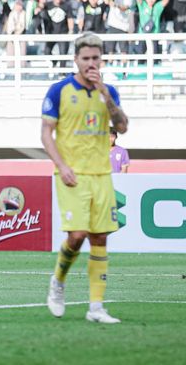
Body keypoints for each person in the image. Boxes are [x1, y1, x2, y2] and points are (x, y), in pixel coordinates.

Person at [41, 32, 129, 324]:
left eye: (96, 58)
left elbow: (123, 127)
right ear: (76, 59)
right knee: (77, 235)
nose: (91, 63)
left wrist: (105, 94)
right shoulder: (59, 91)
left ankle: (96, 306)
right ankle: (58, 281)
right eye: (86, 58)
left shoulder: (109, 92)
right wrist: (61, 165)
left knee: (100, 236)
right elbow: (46, 134)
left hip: (101, 174)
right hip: (72, 174)